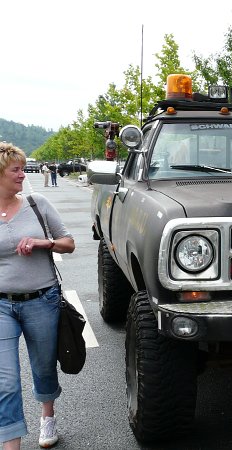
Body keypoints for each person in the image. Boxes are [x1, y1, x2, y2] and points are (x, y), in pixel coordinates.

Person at [0, 142, 75, 449]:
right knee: (5, 381)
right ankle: (11, 444)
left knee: (43, 367)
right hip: (2, 303)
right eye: (15, 169)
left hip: (42, 301)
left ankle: (47, 416)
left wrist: (44, 243)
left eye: (22, 168)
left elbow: (68, 242)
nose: (22, 174)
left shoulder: (36, 203)